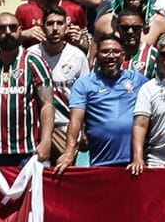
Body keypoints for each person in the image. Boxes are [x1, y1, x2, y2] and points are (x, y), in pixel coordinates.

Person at [0, 14, 55, 167]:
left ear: (20, 30)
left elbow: (47, 104)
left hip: (27, 152)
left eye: (13, 28)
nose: (8, 32)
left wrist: (46, 141)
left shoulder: (34, 62)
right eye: (2, 28)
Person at [57, 34, 148, 170]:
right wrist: (69, 152)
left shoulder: (137, 80)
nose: (111, 56)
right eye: (105, 51)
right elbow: (75, 120)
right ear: (97, 55)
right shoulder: (84, 84)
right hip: (101, 162)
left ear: (123, 55)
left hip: (134, 163)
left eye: (116, 51)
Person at [28, 5, 90, 157]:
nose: (55, 28)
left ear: (67, 26)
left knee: (62, 174)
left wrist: (84, 128)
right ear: (42, 27)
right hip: (35, 126)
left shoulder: (77, 56)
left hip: (65, 126)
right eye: (50, 24)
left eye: (59, 23)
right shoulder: (30, 55)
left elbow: (85, 96)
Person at [129, 35, 165, 172]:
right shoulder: (148, 88)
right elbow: (140, 124)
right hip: (157, 160)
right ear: (158, 58)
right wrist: (137, 158)